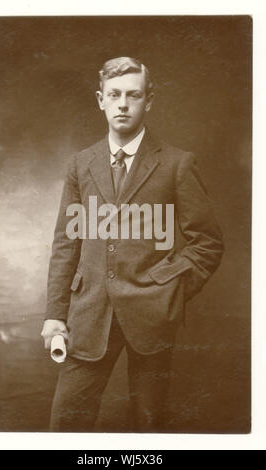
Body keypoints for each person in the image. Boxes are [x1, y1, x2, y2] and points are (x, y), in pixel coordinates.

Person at [41, 57, 224, 432]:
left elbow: (207, 243)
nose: (123, 104)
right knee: (65, 426)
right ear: (100, 100)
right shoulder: (81, 164)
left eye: (133, 95)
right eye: (115, 95)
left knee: (149, 429)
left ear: (148, 101)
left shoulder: (176, 163)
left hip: (153, 319)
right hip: (88, 315)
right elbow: (66, 243)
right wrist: (55, 314)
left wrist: (167, 289)